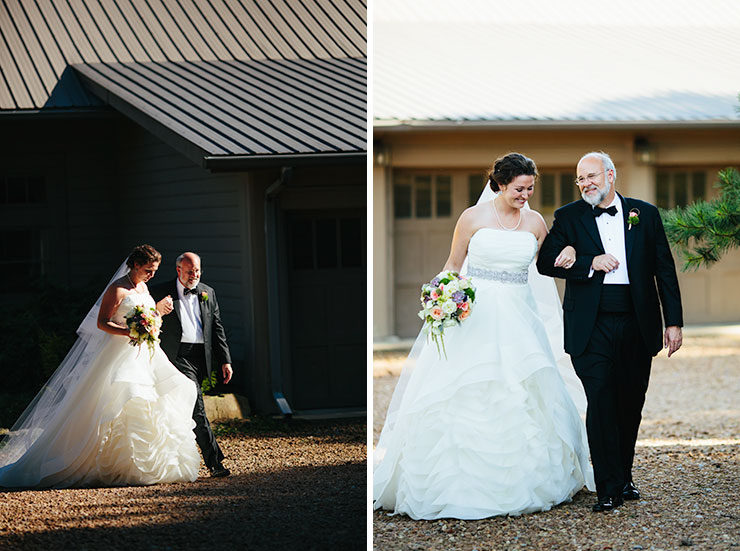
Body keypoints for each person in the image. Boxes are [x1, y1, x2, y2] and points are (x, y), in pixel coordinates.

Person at [374, 153, 595, 520]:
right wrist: (441, 297)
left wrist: (570, 249)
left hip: (520, 318)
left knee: (523, 387)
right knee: (467, 388)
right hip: (474, 317)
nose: (526, 195)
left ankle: (531, 479)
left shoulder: (536, 222)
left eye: (530, 189)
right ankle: (458, 485)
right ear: (501, 184)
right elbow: (452, 265)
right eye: (520, 189)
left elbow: (554, 255)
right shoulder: (472, 218)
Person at [537, 151, 683, 512]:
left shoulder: (644, 213)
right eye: (580, 179)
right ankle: (608, 488)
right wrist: (588, 261)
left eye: (591, 176)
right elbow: (544, 262)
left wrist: (673, 321)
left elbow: (663, 268)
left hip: (637, 321)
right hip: (591, 325)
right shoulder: (568, 217)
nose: (586, 183)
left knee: (629, 403)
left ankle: (625, 476)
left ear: (611, 175)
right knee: (601, 402)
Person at [0, 245, 200, 488]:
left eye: (155, 270)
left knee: (160, 396)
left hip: (144, 355)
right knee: (118, 401)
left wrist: (155, 314)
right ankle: (105, 464)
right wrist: (131, 331)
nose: (152, 275)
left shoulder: (144, 287)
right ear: (135, 265)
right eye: (148, 269)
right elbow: (102, 323)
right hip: (119, 357)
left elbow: (146, 317)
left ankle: (142, 466)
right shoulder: (116, 290)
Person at [150, 252, 233, 478]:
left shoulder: (208, 292)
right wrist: (157, 309)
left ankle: (169, 459)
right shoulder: (159, 291)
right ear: (178, 270)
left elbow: (217, 328)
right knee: (197, 407)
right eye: (189, 271)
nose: (194, 275)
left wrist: (225, 360)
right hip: (177, 356)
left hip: (200, 356)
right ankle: (215, 462)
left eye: (197, 271)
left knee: (182, 409)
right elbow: (145, 318)